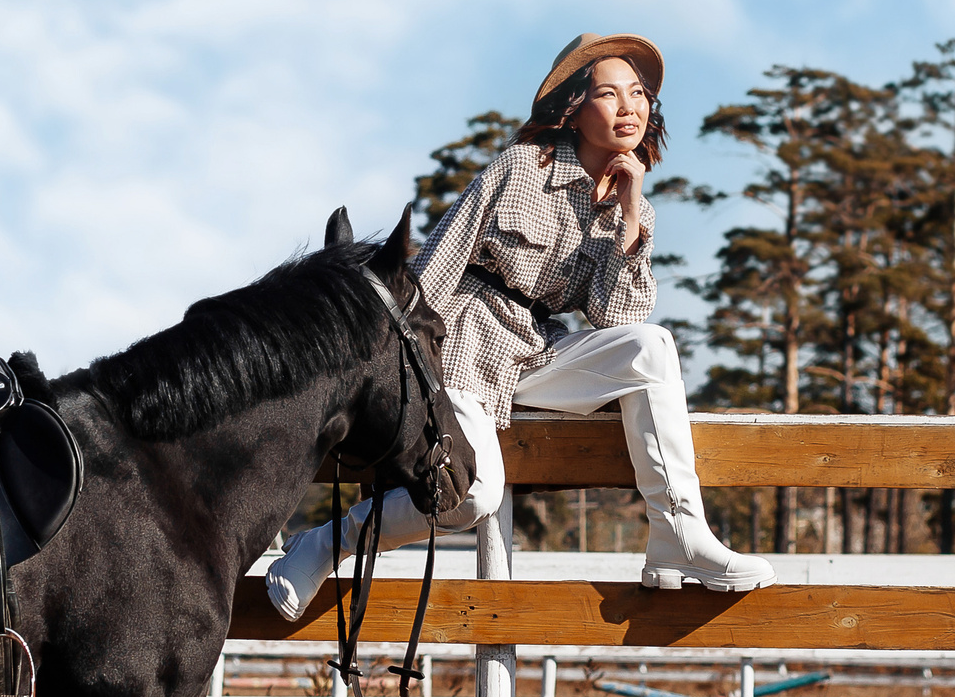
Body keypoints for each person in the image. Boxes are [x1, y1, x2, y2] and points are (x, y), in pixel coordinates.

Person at [268, 31, 773, 619]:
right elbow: (432, 273)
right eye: (609, 94)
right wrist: (398, 371)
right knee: (475, 494)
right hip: (462, 342)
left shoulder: (634, 208)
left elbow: (617, 317)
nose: (630, 107)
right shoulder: (518, 169)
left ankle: (678, 536)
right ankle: (324, 543)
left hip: (536, 349)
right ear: (573, 108)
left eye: (638, 94)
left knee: (652, 346)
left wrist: (632, 216)